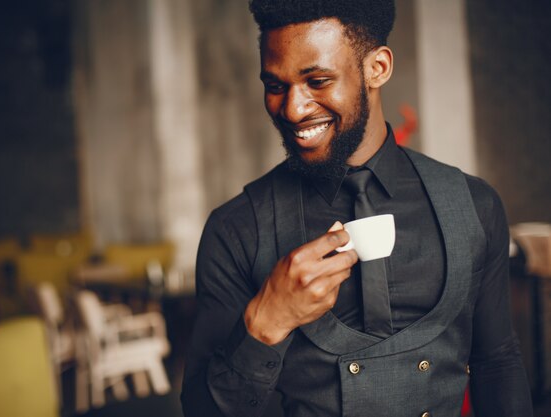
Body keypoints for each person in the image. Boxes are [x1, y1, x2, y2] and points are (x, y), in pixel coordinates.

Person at [181, 1, 533, 416]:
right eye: (276, 86)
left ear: (377, 69)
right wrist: (267, 322)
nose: (293, 109)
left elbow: (498, 364)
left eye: (317, 80)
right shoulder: (235, 229)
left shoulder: (474, 205)